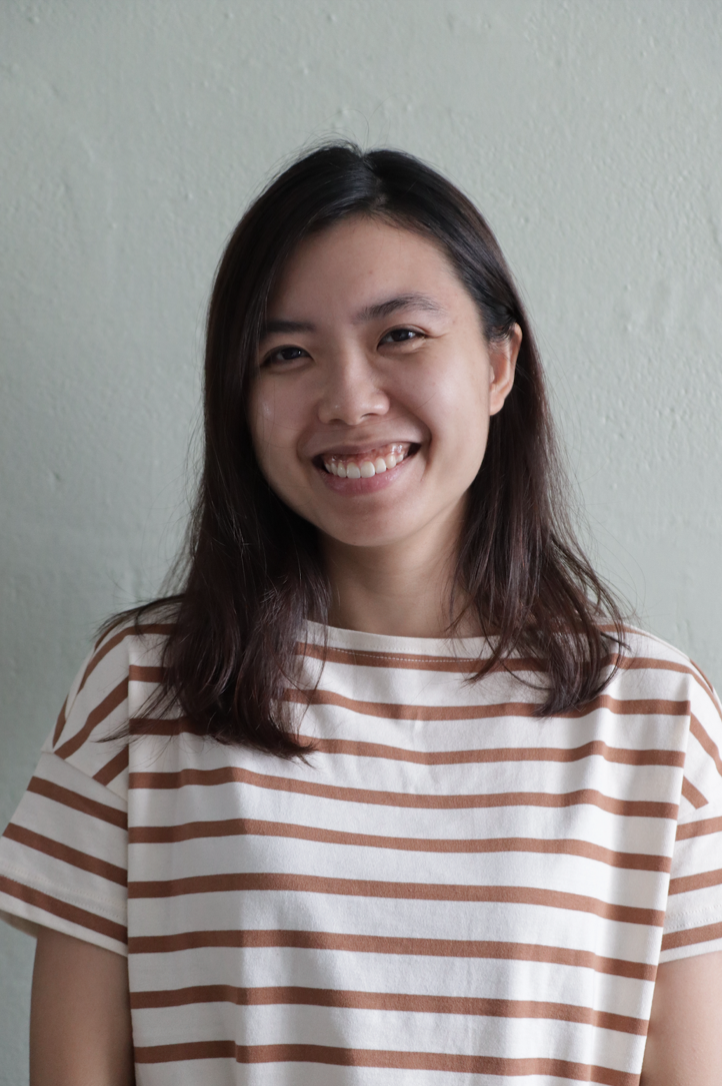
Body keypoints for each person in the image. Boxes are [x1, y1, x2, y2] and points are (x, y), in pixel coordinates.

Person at [1, 143, 721, 1086]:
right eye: (288, 353)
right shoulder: (143, 691)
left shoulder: (655, 716)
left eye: (400, 337)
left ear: (500, 364)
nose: (349, 399)